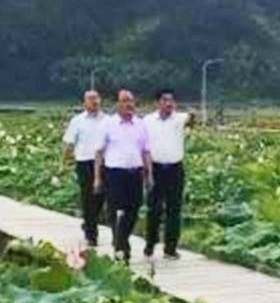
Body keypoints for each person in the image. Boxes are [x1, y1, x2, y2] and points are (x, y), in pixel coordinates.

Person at [94, 89, 152, 262]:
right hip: (114, 173)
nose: (129, 104)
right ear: (117, 104)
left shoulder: (140, 124)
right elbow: (98, 152)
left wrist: (149, 175)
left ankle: (121, 239)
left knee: (133, 209)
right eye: (125, 101)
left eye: (131, 101)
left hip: (135, 172)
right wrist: (97, 178)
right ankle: (121, 245)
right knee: (115, 209)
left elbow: (146, 151)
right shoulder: (108, 124)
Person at [142, 88, 193, 259]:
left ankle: (170, 248)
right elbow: (143, 147)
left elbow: (192, 118)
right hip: (155, 169)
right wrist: (146, 171)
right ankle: (150, 243)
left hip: (175, 169)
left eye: (171, 100)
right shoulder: (148, 121)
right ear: (158, 103)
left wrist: (192, 119)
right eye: (164, 100)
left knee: (174, 210)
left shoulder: (179, 118)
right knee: (154, 209)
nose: (168, 103)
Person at [62, 90, 108, 247]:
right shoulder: (77, 121)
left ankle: (89, 222)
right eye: (90, 99)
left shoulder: (107, 120)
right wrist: (64, 160)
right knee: (88, 197)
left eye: (96, 98)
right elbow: (69, 142)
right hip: (84, 162)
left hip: (103, 163)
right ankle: (91, 234)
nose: (94, 101)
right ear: (84, 103)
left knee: (101, 197)